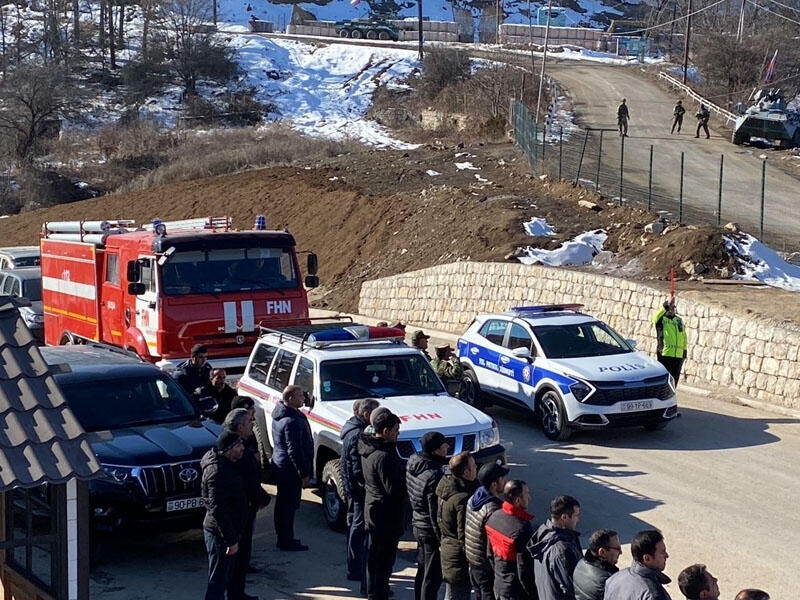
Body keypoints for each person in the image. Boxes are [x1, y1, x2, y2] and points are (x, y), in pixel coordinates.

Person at [223, 409, 271, 600]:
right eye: (250, 422)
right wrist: (262, 498)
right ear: (240, 426)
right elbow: (246, 480)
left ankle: (238, 592)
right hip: (239, 508)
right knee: (237, 555)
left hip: (245, 505)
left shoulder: (243, 442)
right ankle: (235, 594)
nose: (253, 425)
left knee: (243, 553)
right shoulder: (233, 446)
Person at [359, 409, 407, 600]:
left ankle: (375, 590)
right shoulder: (384, 456)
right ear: (385, 431)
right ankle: (378, 592)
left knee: (374, 555)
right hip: (385, 513)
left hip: (373, 507)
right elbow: (393, 489)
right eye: (396, 430)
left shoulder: (367, 446)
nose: (398, 434)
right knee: (383, 558)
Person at [201, 430, 247, 600]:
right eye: (239, 445)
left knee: (223, 577)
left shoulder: (227, 464)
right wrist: (231, 540)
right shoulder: (218, 472)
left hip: (228, 531)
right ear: (229, 450)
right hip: (219, 535)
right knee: (217, 581)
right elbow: (217, 508)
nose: (242, 448)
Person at [341, 398, 381, 593]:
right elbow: (356, 466)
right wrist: (364, 486)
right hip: (358, 490)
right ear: (365, 414)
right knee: (359, 528)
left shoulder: (353, 430)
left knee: (355, 526)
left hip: (353, 488)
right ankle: (356, 567)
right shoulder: (357, 435)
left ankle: (354, 565)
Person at [406, 431, 449, 600]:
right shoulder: (435, 474)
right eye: (443, 444)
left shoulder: (414, 461)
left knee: (423, 570)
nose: (447, 446)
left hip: (418, 523)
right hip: (429, 530)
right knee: (432, 577)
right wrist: (440, 538)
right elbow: (434, 510)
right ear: (435, 450)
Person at [270, 385, 313, 551]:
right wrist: (303, 474)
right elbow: (293, 450)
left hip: (282, 466)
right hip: (289, 470)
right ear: (290, 399)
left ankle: (285, 538)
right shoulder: (291, 421)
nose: (303, 398)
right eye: (300, 396)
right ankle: (286, 540)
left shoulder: (283, 414)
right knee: (287, 507)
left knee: (283, 505)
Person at [437, 451, 480, 600]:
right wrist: (470, 557)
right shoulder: (462, 499)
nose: (476, 469)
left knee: (452, 593)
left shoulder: (446, 487)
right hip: (458, 556)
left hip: (448, 547)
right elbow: (464, 533)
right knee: (458, 594)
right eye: (474, 466)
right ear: (466, 472)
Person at [485, 480, 536, 600]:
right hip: (515, 591)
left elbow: (489, 554)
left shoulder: (494, 517)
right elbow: (524, 568)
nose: (529, 497)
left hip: (499, 584)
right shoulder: (522, 527)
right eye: (527, 494)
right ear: (518, 500)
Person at [466, 462, 509, 600]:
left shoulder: (474, 498)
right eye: (502, 479)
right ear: (494, 485)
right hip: (485, 567)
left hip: (473, 562)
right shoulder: (493, 509)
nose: (505, 481)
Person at [528, 495, 583, 600]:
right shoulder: (562, 550)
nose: (578, 519)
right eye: (576, 515)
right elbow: (573, 588)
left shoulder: (542, 533)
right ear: (564, 517)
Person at [604, 529, 672, 600]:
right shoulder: (653, 595)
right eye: (662, 552)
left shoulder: (613, 579)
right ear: (647, 558)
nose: (667, 555)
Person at [573, 529, 622, 600]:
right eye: (618, 549)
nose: (621, 552)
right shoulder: (607, 582)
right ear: (602, 552)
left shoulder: (580, 564)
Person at [652, 299, 688, 384]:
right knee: (665, 381)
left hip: (678, 356)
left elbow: (684, 336)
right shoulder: (662, 319)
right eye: (670, 308)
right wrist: (665, 306)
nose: (672, 310)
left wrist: (684, 351)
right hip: (665, 354)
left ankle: (672, 396)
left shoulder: (679, 320)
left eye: (673, 308)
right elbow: (655, 318)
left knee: (674, 381)